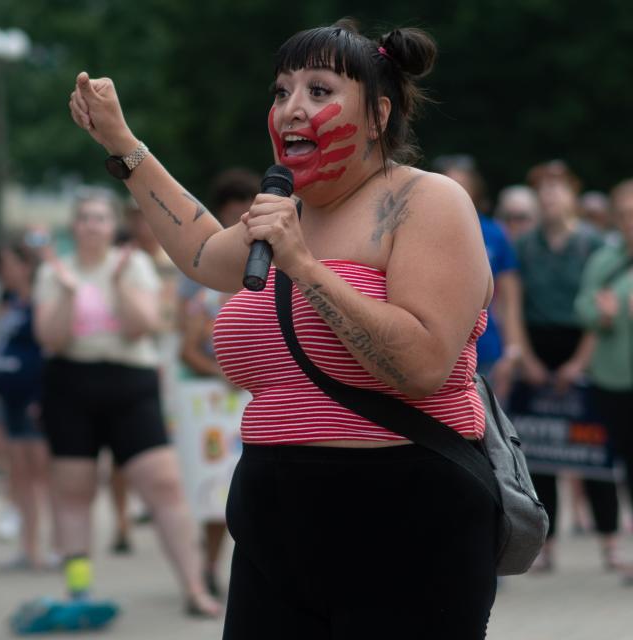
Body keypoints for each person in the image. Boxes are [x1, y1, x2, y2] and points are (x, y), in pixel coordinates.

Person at [71, 20, 500, 639]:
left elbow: (424, 362)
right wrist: (122, 141)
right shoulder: (285, 211)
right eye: (281, 91)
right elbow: (200, 252)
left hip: (406, 515)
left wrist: (302, 266)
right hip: (276, 519)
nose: (292, 108)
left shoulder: (426, 202)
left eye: (319, 91)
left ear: (378, 115)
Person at [14, 191, 220, 632]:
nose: (91, 225)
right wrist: (69, 294)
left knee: (164, 487)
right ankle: (79, 590)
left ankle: (194, 587)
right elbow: (51, 339)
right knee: (74, 492)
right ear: (75, 226)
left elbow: (139, 327)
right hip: (70, 385)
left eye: (100, 218)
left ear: (112, 225)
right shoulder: (55, 272)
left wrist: (123, 283)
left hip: (129, 384)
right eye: (84, 218)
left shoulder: (135, 265)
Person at [512, 160, 620, 572]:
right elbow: (514, 302)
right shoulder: (525, 244)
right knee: (540, 452)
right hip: (539, 343)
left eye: (559, 188)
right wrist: (526, 355)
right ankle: (547, 544)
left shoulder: (594, 243)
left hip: (581, 341)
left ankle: (610, 542)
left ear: (573, 194)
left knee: (594, 451)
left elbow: (599, 301)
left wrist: (581, 361)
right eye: (544, 189)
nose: (551, 196)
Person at [175, 168, 259, 598]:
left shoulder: (275, 265)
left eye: (246, 209)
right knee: (216, 490)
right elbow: (186, 347)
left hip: (256, 396)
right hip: (214, 400)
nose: (240, 219)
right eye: (231, 212)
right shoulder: (202, 280)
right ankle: (208, 564)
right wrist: (222, 373)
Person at [575, 178, 633, 582]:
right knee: (619, 466)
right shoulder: (604, 258)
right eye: (626, 214)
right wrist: (602, 315)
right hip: (612, 377)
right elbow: (583, 304)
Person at [431, 155, 526, 399]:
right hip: (436, 348)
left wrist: (512, 351)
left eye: (461, 186)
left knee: (489, 431)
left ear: (474, 191)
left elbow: (509, 300)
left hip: (486, 351)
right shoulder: (421, 228)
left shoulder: (494, 234)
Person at [0, 233, 54, 571]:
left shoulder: (42, 300)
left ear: (26, 266)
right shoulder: (9, 303)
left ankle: (54, 546)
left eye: (9, 264)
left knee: (43, 475)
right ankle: (29, 548)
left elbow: (48, 350)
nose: (3, 271)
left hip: (35, 399)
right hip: (10, 400)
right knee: (21, 476)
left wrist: (44, 395)